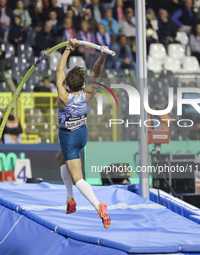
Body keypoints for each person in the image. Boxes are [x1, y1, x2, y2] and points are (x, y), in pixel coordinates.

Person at [55, 38, 111, 228]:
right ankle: (70, 199)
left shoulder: (63, 98)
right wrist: (102, 54)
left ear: (67, 84)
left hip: (69, 138)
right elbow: (96, 71)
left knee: (78, 178)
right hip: (82, 134)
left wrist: (68, 49)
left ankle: (98, 205)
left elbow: (58, 70)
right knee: (59, 159)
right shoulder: (89, 93)